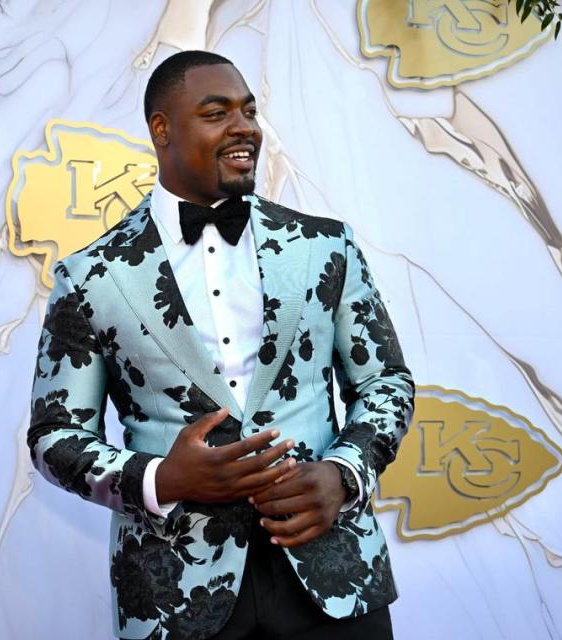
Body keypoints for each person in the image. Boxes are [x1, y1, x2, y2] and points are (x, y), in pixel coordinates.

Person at [27, 50, 414, 640]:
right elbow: (54, 435)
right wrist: (162, 479)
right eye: (217, 112)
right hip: (172, 594)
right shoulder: (92, 277)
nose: (244, 128)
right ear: (162, 130)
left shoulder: (325, 246)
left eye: (249, 112)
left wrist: (344, 473)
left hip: (333, 576)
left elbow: (385, 382)